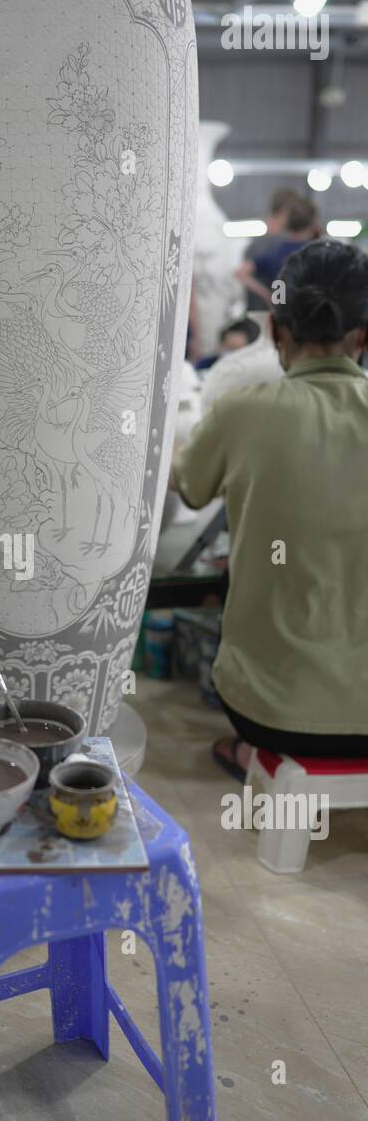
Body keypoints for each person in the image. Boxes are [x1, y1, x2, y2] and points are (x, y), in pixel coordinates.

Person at [172, 238, 368, 780]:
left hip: (269, 713)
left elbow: (189, 487)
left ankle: (247, 755)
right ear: (364, 335)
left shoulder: (243, 411)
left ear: (277, 331)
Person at [236, 189, 320, 311]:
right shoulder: (314, 251)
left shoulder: (275, 249)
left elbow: (241, 272)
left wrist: (269, 297)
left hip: (269, 315)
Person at [194, 315, 260, 373]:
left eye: (238, 350)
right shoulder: (204, 366)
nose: (234, 354)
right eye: (230, 348)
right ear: (220, 346)